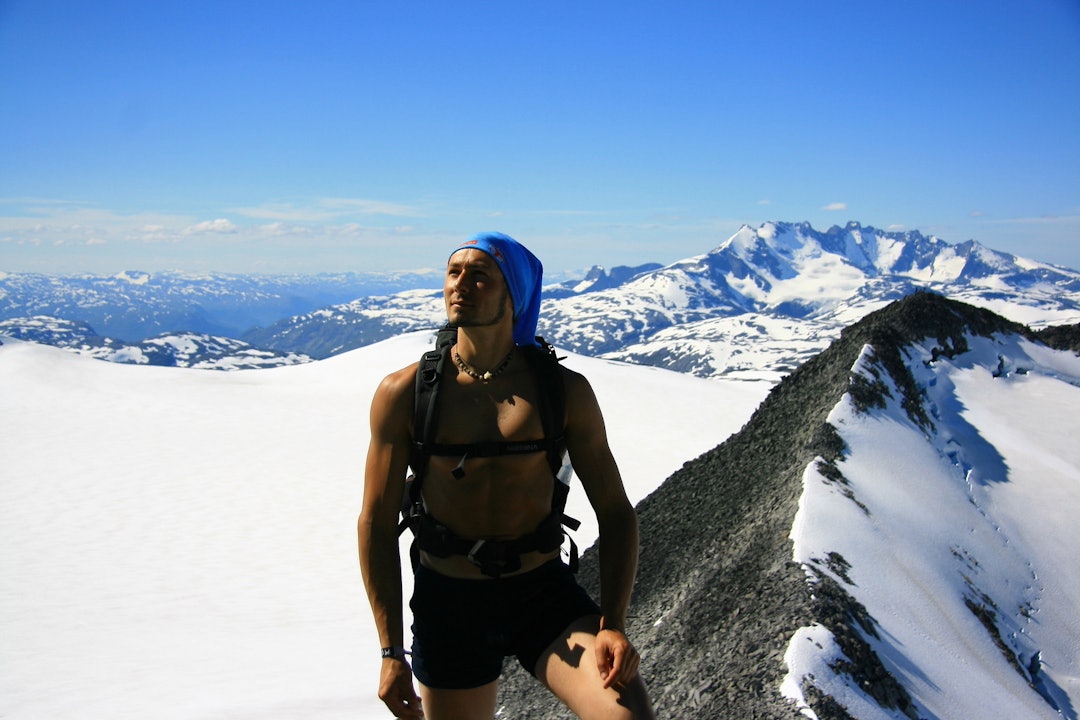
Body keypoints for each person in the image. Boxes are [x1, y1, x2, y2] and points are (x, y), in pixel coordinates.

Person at [358, 232, 655, 719]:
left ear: (513, 293)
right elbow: (374, 522)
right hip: (448, 602)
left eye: (480, 275)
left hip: (541, 592)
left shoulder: (563, 391)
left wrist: (613, 624)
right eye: (454, 273)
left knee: (627, 714)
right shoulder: (405, 393)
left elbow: (617, 511)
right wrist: (391, 652)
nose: (461, 285)